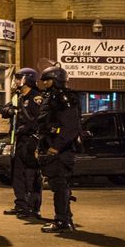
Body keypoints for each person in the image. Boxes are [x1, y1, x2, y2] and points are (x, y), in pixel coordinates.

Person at [37, 64, 82, 233]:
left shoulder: (64, 97)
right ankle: (63, 218)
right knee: (58, 184)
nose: (45, 83)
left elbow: (71, 127)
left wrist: (56, 147)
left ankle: (63, 221)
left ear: (55, 80)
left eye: (47, 80)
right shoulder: (52, 97)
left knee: (60, 185)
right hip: (52, 146)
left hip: (62, 150)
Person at [1, 68, 44, 220]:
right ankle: (21, 205)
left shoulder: (36, 97)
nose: (17, 81)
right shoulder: (17, 96)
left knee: (31, 175)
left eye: (19, 78)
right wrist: (11, 110)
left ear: (28, 79)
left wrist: (29, 131)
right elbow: (4, 110)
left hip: (32, 141)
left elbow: (39, 120)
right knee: (17, 174)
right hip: (19, 141)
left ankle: (33, 208)